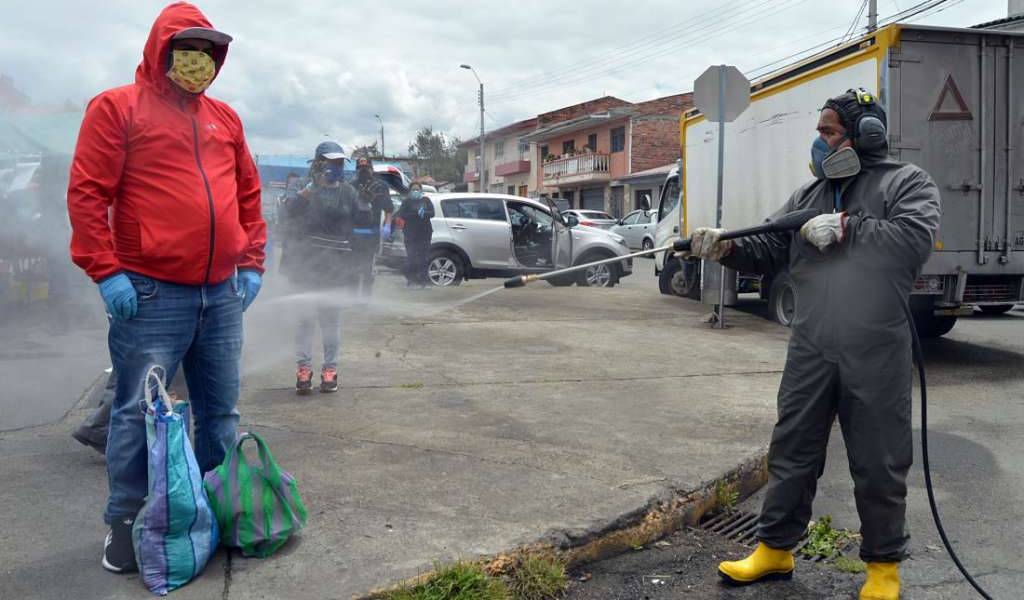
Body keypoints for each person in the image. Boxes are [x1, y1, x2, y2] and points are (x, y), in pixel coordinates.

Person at [686, 89, 940, 600]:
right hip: (813, 342)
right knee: (792, 449)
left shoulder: (906, 183)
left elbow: (915, 241)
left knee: (879, 459)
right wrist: (729, 246)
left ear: (864, 135)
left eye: (827, 132)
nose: (818, 141)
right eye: (820, 132)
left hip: (876, 346)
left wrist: (849, 227)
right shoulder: (811, 194)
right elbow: (772, 243)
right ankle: (775, 549)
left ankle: (883, 569)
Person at [66, 2, 266, 574]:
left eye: (209, 51)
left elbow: (249, 196)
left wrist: (250, 262)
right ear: (161, 49)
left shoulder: (225, 119)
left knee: (220, 413)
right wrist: (106, 271)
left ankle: (215, 511)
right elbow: (86, 195)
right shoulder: (117, 109)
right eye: (187, 47)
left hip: (222, 294)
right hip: (151, 293)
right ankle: (126, 524)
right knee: (135, 413)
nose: (198, 60)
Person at [278, 141, 357, 394]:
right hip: (304, 262)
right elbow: (289, 214)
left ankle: (330, 369)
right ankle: (304, 368)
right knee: (304, 319)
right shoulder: (301, 186)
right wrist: (313, 188)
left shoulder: (347, 192)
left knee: (330, 320)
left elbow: (356, 221)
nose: (336, 166)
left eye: (339, 162)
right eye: (330, 162)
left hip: (334, 264)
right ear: (318, 162)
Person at [349, 155, 392, 300]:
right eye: (360, 167)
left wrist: (387, 225)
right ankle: (352, 296)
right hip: (353, 234)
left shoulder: (381, 186)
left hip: (371, 234)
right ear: (356, 169)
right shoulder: (351, 186)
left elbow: (388, 209)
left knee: (367, 268)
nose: (363, 169)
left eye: (366, 166)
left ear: (371, 168)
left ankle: (365, 297)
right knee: (353, 268)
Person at [395, 181, 435, 288]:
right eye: (414, 190)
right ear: (410, 191)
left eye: (418, 189)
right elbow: (402, 214)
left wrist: (424, 213)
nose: (416, 191)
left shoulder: (426, 200)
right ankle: (411, 281)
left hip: (425, 233)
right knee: (411, 257)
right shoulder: (407, 202)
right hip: (411, 234)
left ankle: (424, 281)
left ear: (421, 190)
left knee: (424, 258)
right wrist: (415, 214)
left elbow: (432, 213)